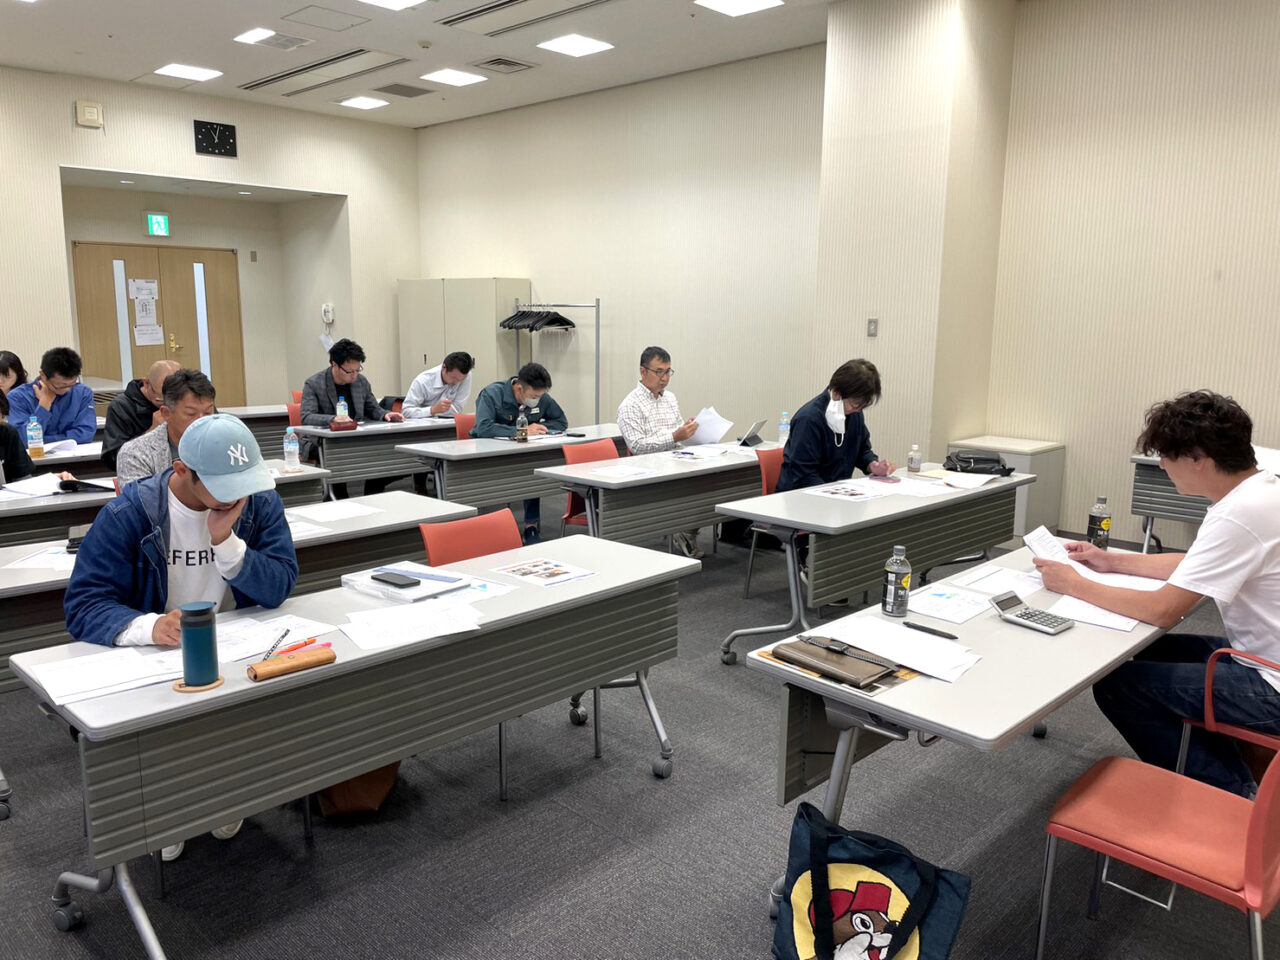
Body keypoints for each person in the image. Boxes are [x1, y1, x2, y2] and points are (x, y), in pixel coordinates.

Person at [64, 413, 298, 860]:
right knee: (169, 732)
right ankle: (167, 804)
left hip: (235, 650)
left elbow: (279, 586)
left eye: (244, 482)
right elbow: (83, 605)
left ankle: (224, 791)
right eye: (223, 486)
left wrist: (227, 543)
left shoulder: (259, 503)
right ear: (181, 471)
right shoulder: (129, 514)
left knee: (237, 718)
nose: (237, 496)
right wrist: (148, 626)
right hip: (158, 656)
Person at [1033, 391, 1280, 799]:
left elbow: (1163, 610)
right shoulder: (1261, 490)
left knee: (1119, 686)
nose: (1162, 465)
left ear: (1198, 458)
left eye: (1167, 455)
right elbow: (1200, 562)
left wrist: (1073, 583)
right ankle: (1226, 769)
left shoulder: (1239, 514)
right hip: (1260, 656)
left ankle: (1228, 795)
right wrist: (1112, 561)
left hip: (1270, 684)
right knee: (1148, 652)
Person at [616, 345, 703, 557]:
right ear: (642, 371)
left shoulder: (670, 398)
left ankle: (687, 529)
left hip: (675, 460)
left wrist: (686, 429)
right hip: (649, 467)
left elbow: (676, 432)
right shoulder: (630, 405)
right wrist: (674, 436)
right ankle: (684, 528)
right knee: (696, 486)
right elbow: (638, 447)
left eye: (668, 372)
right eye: (659, 372)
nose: (664, 378)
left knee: (711, 478)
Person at [472, 362, 568, 544]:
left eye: (540, 396)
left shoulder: (541, 397)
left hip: (521, 453)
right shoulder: (492, 394)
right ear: (519, 388)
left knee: (530, 471)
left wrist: (540, 428)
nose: (537, 400)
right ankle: (486, 528)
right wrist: (522, 431)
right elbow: (483, 427)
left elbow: (561, 421)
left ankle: (531, 527)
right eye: (533, 396)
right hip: (489, 455)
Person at [300, 339, 404, 496]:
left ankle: (372, 496)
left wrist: (385, 414)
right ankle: (339, 498)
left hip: (354, 438)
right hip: (322, 441)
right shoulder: (314, 383)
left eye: (358, 370)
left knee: (381, 454)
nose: (355, 375)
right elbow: (307, 416)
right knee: (337, 457)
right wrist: (333, 419)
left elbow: (372, 408)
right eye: (350, 371)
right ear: (335, 365)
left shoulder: (361, 381)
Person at [776, 359, 895, 492]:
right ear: (837, 393)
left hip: (835, 492)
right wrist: (833, 493)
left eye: (863, 406)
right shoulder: (809, 419)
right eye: (855, 404)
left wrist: (873, 465)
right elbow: (803, 473)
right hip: (800, 495)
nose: (858, 410)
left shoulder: (854, 414)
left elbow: (862, 450)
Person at [116, 369, 216, 485]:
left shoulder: (226, 442)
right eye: (191, 414)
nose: (201, 421)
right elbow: (139, 495)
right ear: (166, 413)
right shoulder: (135, 453)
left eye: (208, 413)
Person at [5, 347, 96, 444]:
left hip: (75, 452)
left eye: (72, 384)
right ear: (43, 375)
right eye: (60, 386)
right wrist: (44, 405)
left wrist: (44, 440)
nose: (67, 390)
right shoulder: (17, 397)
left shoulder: (83, 392)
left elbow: (85, 434)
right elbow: (22, 439)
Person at [102, 359, 180, 470]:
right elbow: (113, 459)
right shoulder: (121, 407)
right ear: (146, 383)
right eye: (161, 400)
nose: (168, 405)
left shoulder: (185, 401)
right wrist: (151, 432)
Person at [403, 351, 475, 417]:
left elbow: (457, 409)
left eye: (460, 380)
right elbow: (406, 411)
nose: (456, 383)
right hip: (423, 424)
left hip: (449, 422)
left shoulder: (466, 376)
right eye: (454, 378)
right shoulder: (423, 381)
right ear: (444, 368)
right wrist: (432, 410)